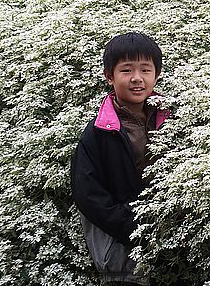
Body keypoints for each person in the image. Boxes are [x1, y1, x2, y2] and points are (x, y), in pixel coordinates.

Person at [71, 32, 170, 285]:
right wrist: (135, 228)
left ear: (156, 75)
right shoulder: (98, 133)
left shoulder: (171, 120)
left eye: (145, 70)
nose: (137, 79)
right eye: (126, 70)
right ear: (109, 76)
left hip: (169, 245)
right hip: (121, 254)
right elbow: (88, 195)